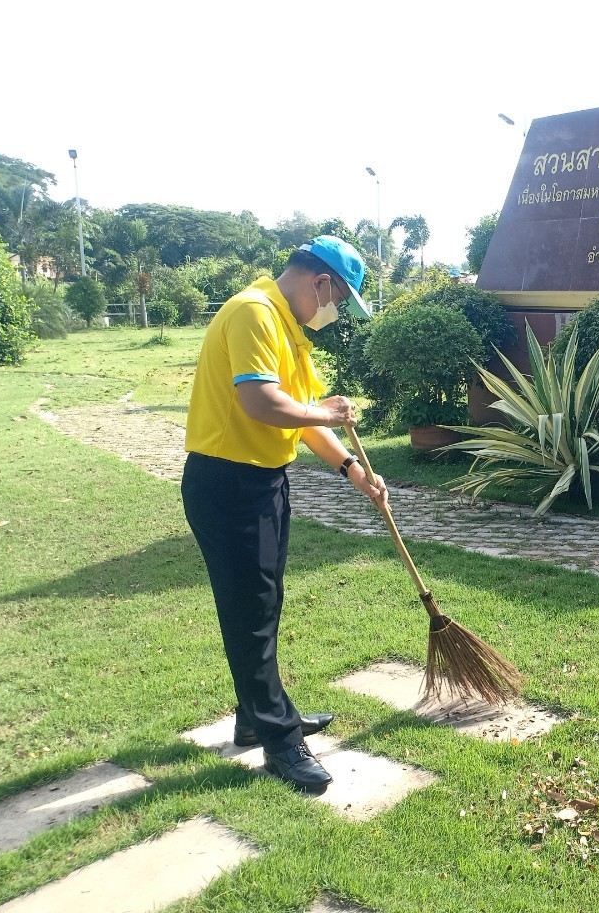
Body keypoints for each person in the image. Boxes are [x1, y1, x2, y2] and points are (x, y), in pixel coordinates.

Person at [181, 235, 387, 793]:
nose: (333, 313)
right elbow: (262, 403)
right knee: (250, 610)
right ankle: (280, 740)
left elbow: (301, 419)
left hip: (263, 480)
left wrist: (353, 470)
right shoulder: (254, 312)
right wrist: (324, 410)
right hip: (227, 483)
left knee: (263, 603)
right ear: (320, 283)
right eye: (337, 300)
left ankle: (255, 718)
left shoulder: (286, 328)